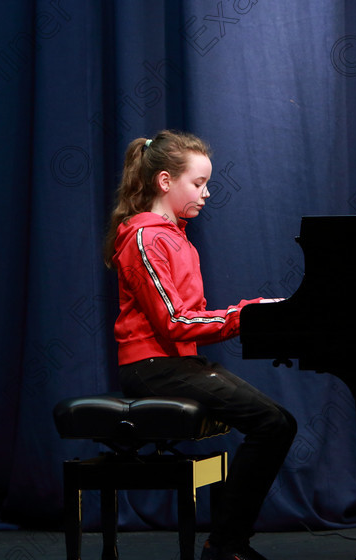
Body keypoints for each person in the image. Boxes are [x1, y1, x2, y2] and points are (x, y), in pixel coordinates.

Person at [103, 129, 297, 560]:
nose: (207, 193)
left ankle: (228, 542)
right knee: (272, 424)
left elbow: (190, 318)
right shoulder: (144, 236)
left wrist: (254, 313)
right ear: (165, 182)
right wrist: (246, 314)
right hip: (151, 367)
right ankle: (225, 546)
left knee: (278, 422)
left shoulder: (175, 236)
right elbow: (174, 322)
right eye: (199, 183)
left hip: (177, 364)